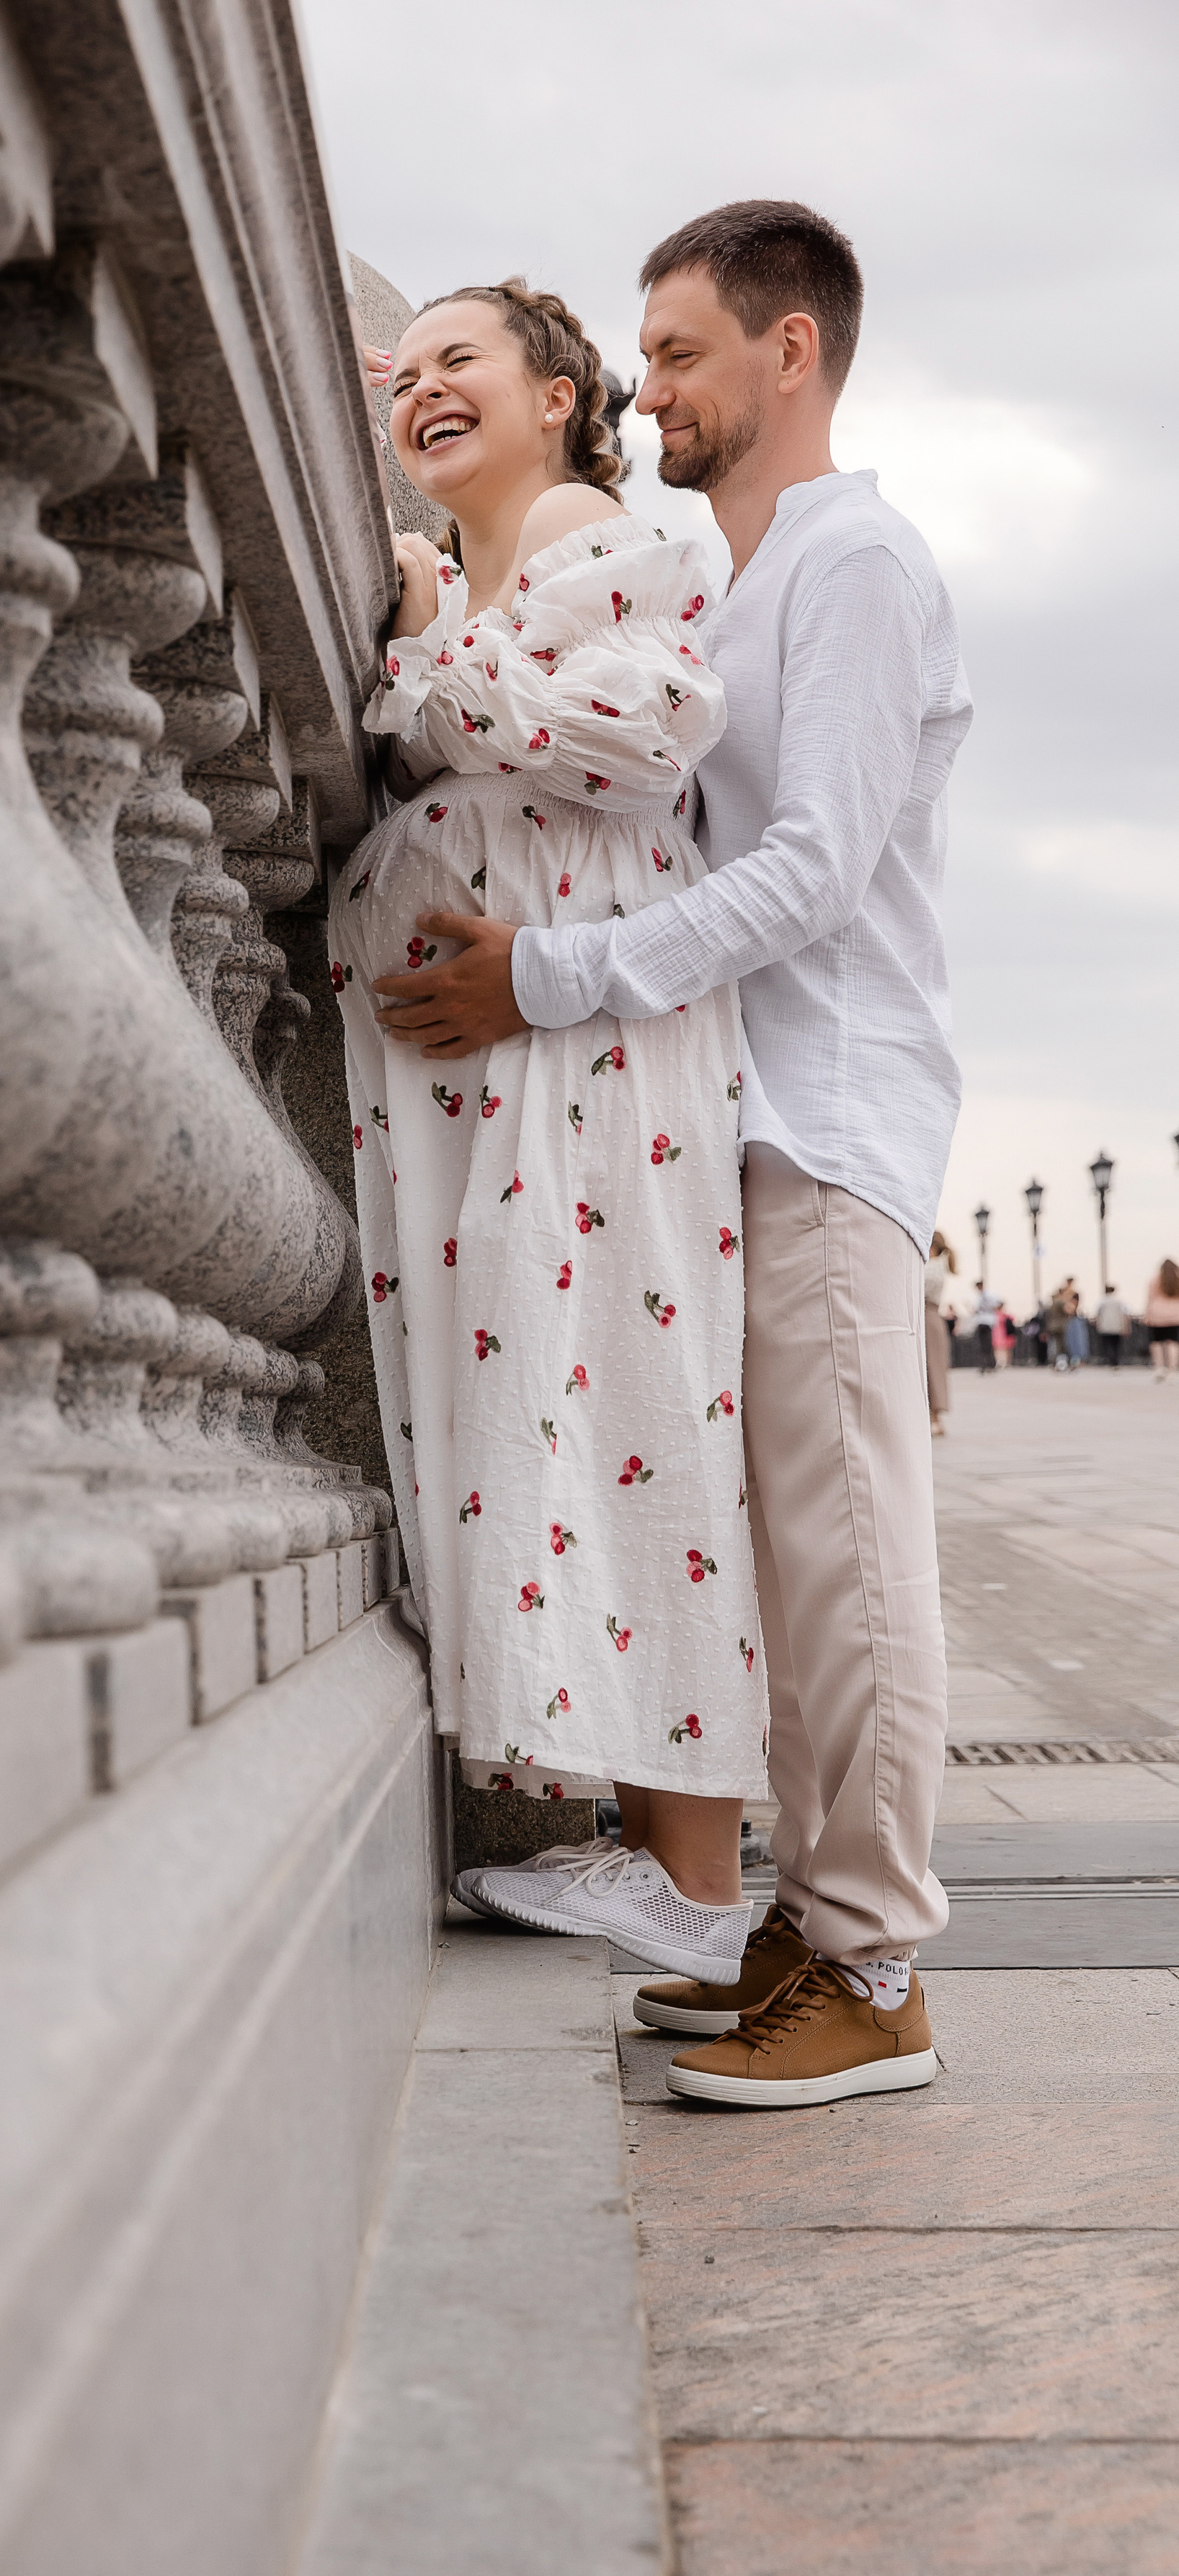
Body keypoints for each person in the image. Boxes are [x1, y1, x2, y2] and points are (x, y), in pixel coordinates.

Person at [366, 199, 969, 2106]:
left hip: (826, 1116)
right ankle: (799, 1929)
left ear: (792, 351)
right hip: (732, 1112)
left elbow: (814, 871)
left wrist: (549, 976)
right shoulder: (739, 569)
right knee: (778, 1566)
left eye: (682, 353)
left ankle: (872, 1971)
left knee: (846, 1559)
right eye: (639, 356)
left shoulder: (850, 560)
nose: (648, 390)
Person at [339, 277, 768, 1993]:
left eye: (463, 361)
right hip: (523, 1060)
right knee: (565, 1401)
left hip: (589, 1046)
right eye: (404, 375)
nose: (425, 390)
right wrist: (437, 620)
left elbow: (639, 734)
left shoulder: (590, 531)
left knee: (631, 1407)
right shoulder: (494, 571)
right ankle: (651, 1853)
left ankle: (696, 1878)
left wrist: (422, 656)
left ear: (557, 396)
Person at [924, 1230, 954, 1435]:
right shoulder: (937, 1266)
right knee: (933, 1367)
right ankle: (934, 1418)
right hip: (931, 1318)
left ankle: (934, 1418)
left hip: (927, 1317)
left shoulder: (932, 1267)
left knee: (931, 1368)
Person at [1147, 1260, 1179, 1377]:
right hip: (1175, 1315)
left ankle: (1159, 1367)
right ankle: (1172, 1369)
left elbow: (1150, 1298)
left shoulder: (1155, 1280)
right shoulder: (1177, 1279)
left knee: (1156, 1342)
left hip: (1157, 1315)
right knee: (1173, 1342)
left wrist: (1148, 1315)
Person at [1094, 1285, 1129, 1369]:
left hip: (1105, 1327)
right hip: (1117, 1327)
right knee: (1116, 1345)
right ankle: (1115, 1361)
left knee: (1107, 1345)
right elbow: (1125, 1314)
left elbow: (1098, 1314)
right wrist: (1126, 1327)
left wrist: (1098, 1325)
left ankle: (1111, 1360)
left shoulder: (1102, 1301)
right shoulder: (1119, 1301)